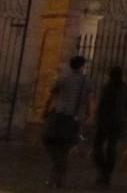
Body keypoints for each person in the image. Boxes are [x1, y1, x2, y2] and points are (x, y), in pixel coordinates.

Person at [42, 55, 96, 188]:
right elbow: (91, 101)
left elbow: (52, 96)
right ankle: (59, 171)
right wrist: (91, 116)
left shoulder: (63, 78)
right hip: (74, 118)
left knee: (50, 141)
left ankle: (58, 174)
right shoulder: (87, 81)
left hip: (59, 115)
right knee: (65, 147)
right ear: (81, 66)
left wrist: (45, 109)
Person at [92, 66, 127, 186]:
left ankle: (103, 170)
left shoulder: (107, 88)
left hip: (106, 122)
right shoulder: (125, 88)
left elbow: (103, 105)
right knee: (111, 149)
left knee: (97, 148)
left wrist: (97, 119)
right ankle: (107, 174)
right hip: (118, 123)